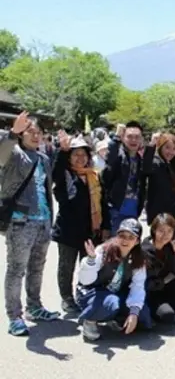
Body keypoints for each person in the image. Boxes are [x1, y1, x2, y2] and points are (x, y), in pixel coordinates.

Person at [1, 112, 60, 336]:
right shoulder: (14, 154)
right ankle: (14, 316)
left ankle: (34, 306)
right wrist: (12, 133)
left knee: (37, 267)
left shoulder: (43, 158)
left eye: (39, 133)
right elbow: (1, 154)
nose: (36, 136)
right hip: (20, 222)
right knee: (16, 269)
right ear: (21, 134)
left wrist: (49, 219)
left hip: (42, 221)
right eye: (31, 132)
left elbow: (46, 190)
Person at [51, 131, 107, 314]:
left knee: (87, 266)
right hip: (68, 231)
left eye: (84, 154)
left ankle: (83, 295)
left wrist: (105, 227)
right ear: (69, 157)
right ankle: (67, 298)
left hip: (90, 231)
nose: (80, 158)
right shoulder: (65, 176)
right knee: (66, 267)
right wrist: (62, 151)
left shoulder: (94, 176)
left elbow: (103, 203)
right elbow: (56, 173)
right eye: (76, 154)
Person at [76, 218, 152, 341]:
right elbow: (86, 280)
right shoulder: (103, 250)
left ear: (137, 241)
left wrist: (134, 312)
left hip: (115, 291)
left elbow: (137, 286)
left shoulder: (139, 258)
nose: (125, 240)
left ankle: (114, 318)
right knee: (112, 303)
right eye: (122, 236)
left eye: (131, 237)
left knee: (143, 316)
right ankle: (90, 320)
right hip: (91, 292)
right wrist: (91, 260)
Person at [142, 213, 175, 324]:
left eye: (169, 231)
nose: (165, 235)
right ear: (154, 230)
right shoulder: (145, 250)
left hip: (163, 288)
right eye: (161, 231)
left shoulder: (170, 247)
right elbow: (148, 282)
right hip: (149, 293)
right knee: (166, 315)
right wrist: (164, 281)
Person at [101, 120, 146, 234]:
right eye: (130, 136)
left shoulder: (141, 160)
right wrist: (116, 139)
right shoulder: (119, 157)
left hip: (133, 211)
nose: (133, 140)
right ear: (123, 138)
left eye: (137, 137)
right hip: (116, 210)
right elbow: (109, 166)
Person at [143, 132, 175, 223]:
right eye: (167, 147)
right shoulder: (156, 163)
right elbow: (146, 168)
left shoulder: (171, 166)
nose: (171, 152)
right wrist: (152, 145)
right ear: (160, 147)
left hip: (170, 214)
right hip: (157, 215)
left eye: (174, 149)